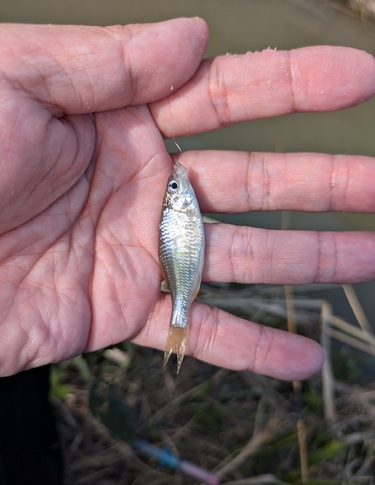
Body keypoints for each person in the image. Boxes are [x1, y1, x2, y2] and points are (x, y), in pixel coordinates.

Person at [1, 17, 375, 382]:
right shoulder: (180, 209)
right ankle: (178, 323)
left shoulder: (177, 210)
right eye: (174, 189)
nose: (177, 184)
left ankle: (178, 324)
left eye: (173, 188)